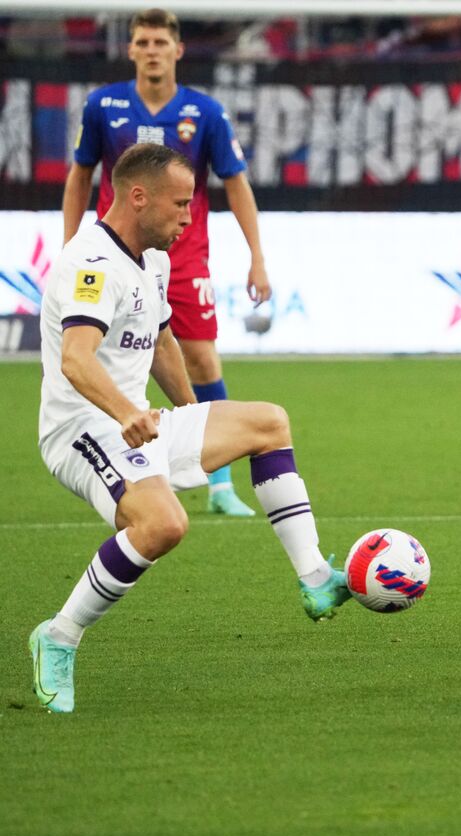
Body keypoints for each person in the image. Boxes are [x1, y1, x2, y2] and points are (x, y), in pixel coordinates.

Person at [29, 144, 349, 715]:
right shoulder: (91, 264)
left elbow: (161, 343)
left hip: (136, 424)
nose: (188, 218)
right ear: (137, 196)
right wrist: (126, 412)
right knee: (163, 525)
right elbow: (78, 361)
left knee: (268, 422)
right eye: (180, 205)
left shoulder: (154, 259)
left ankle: (316, 576)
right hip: (81, 429)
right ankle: (59, 636)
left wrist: (194, 417)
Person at [62, 7, 271, 519]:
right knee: (105, 355)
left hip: (185, 256)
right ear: (131, 49)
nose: (151, 50)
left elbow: (235, 183)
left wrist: (257, 256)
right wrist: (69, 244)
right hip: (119, 257)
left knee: (199, 360)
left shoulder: (204, 113)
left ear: (178, 50)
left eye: (160, 42)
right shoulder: (102, 106)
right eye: (143, 41)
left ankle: (220, 485)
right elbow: (79, 176)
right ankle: (122, 459)